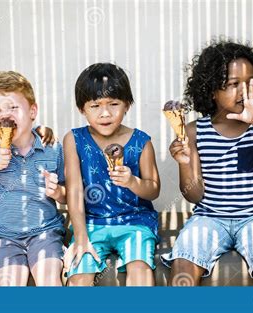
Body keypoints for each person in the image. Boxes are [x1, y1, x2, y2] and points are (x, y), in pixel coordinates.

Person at [161, 39, 253, 286]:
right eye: (233, 84)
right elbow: (194, 195)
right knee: (183, 265)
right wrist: (185, 162)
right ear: (211, 90)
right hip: (209, 217)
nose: (244, 90)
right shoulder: (194, 131)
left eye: (250, 83)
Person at [64, 63, 160, 286]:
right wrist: (80, 237)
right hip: (91, 223)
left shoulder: (141, 142)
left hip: (135, 221)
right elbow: (75, 190)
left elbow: (153, 189)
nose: (105, 113)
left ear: (127, 105)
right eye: (95, 105)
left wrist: (132, 182)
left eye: (114, 104)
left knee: (140, 270)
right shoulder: (74, 139)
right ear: (82, 109)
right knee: (79, 275)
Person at [0, 71, 66, 286]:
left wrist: (58, 192)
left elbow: (68, 194)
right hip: (4, 237)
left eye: (13, 107)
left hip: (45, 232)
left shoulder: (52, 148)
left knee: (50, 281)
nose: (5, 115)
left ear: (33, 111)